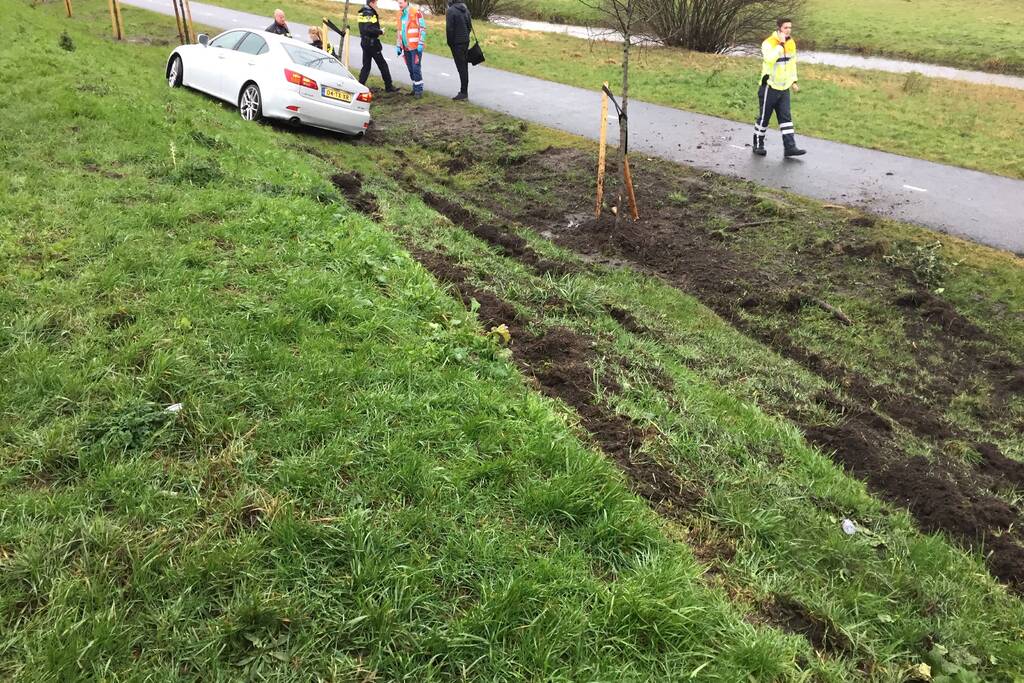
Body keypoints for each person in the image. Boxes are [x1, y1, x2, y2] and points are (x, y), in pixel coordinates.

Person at [752, 17, 806, 157]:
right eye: (785, 28)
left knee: (786, 118)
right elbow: (769, 59)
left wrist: (793, 81)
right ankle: (758, 145)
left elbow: (791, 64)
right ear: (779, 29)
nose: (788, 30)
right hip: (769, 87)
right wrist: (780, 46)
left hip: (784, 88)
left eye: (790, 27)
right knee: (764, 118)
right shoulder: (768, 43)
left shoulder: (792, 43)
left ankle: (790, 147)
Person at [358, 0, 398, 92]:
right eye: (376, 3)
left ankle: (360, 86)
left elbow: (365, 28)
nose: (377, 4)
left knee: (366, 65)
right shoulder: (369, 13)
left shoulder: (362, 12)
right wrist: (380, 31)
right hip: (372, 43)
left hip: (364, 42)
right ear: (371, 3)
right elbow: (368, 29)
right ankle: (389, 86)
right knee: (382, 64)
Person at [395, 0, 426, 97]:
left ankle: (419, 91)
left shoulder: (416, 12)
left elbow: (422, 28)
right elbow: (399, 31)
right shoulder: (399, 14)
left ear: (406, 1)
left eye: (400, 3)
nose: (399, 5)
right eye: (398, 3)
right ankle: (415, 87)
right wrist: (398, 45)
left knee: (416, 68)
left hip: (415, 47)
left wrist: (421, 43)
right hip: (405, 47)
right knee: (410, 68)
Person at [446, 0, 472, 101]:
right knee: (464, 66)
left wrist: (450, 43)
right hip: (465, 40)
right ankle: (464, 91)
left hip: (456, 43)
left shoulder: (451, 11)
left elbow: (449, 29)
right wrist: (465, 37)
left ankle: (463, 92)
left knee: (461, 67)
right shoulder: (465, 9)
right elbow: (469, 26)